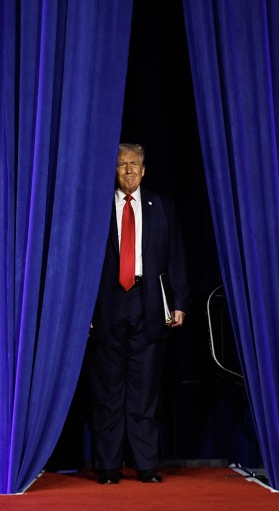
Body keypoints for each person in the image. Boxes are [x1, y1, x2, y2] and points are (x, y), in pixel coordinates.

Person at [88, 143, 189, 485]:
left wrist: (179, 302)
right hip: (108, 303)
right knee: (108, 391)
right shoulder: (97, 209)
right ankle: (108, 465)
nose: (128, 170)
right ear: (113, 171)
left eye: (134, 164)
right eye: (121, 165)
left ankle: (146, 464)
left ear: (144, 170)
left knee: (145, 390)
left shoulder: (161, 207)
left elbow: (175, 257)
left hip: (147, 303)